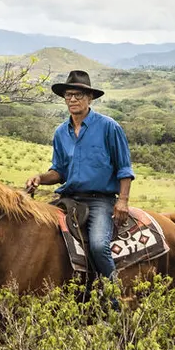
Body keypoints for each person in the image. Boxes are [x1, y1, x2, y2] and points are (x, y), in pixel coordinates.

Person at [25, 70, 133, 308]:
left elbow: (124, 168)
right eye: (68, 95)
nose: (73, 99)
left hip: (99, 200)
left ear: (90, 98)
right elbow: (59, 171)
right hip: (68, 198)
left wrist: (122, 200)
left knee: (97, 245)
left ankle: (114, 302)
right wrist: (40, 178)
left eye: (79, 94)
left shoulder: (108, 127)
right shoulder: (60, 132)